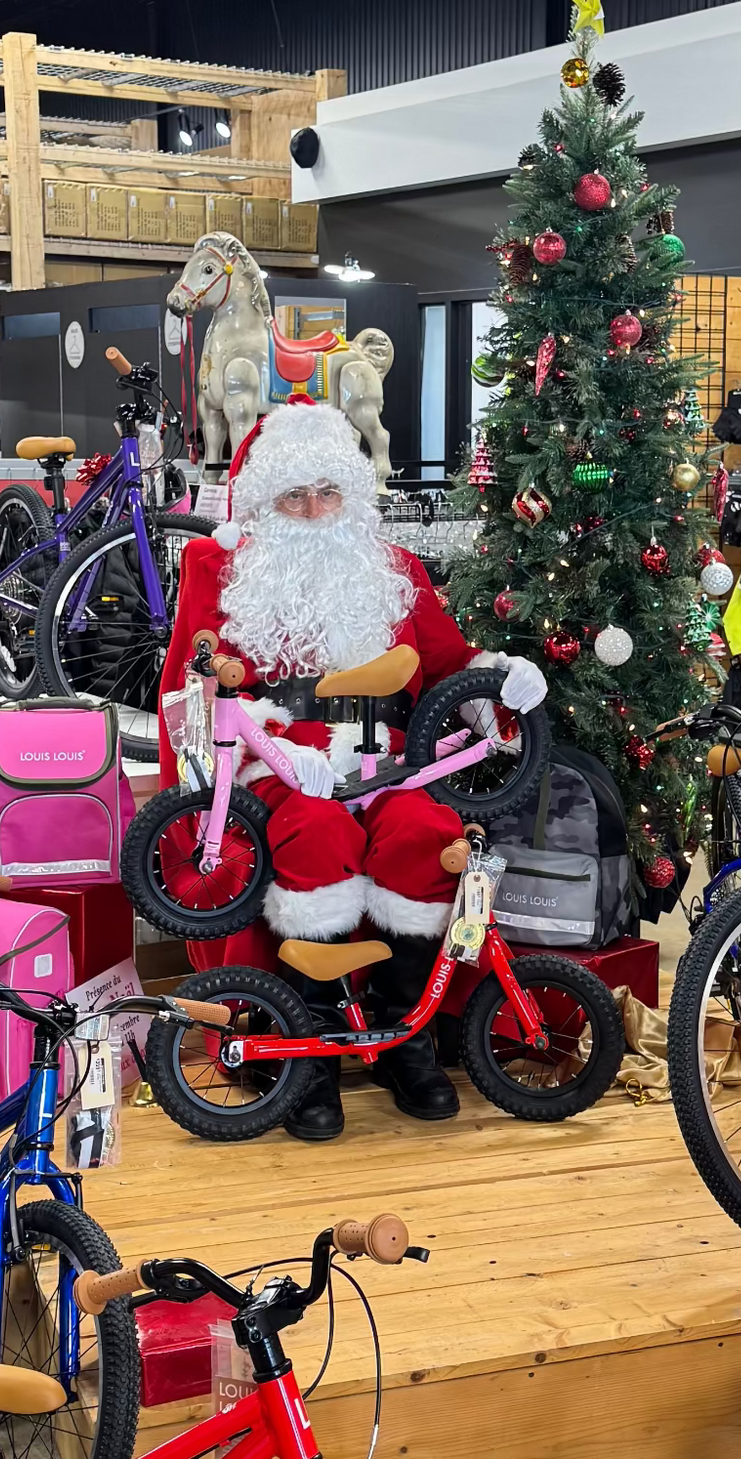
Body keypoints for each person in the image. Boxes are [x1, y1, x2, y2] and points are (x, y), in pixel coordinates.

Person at [156, 400, 546, 1141]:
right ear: (267, 501)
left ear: (352, 497)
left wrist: (505, 685)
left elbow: (449, 668)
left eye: (328, 492)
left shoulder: (391, 570)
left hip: (383, 759)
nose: (313, 510)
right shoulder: (221, 567)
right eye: (295, 495)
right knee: (315, 834)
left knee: (424, 834)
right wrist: (203, 778)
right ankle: (314, 1054)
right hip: (278, 758)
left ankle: (406, 1040)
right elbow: (187, 683)